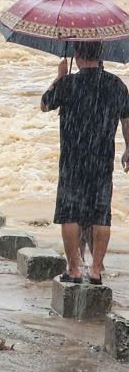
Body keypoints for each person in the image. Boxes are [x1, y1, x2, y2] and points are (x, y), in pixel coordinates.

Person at [41, 41, 129, 284]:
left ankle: (74, 269)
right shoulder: (116, 84)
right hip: (102, 159)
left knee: (70, 214)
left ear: (77, 55)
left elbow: (44, 105)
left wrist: (59, 77)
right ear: (101, 55)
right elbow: (126, 119)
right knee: (101, 214)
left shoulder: (68, 83)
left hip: (72, 160)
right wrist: (128, 147)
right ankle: (96, 270)